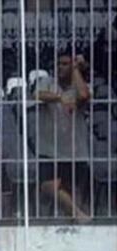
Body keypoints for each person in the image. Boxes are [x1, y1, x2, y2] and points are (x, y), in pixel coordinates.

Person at [34, 52, 91, 220]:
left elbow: (83, 95)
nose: (60, 67)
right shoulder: (48, 82)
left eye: (65, 64)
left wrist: (76, 70)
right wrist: (61, 98)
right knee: (47, 186)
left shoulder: (81, 84)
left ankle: (73, 223)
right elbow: (37, 94)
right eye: (59, 64)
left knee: (73, 192)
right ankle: (80, 216)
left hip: (74, 148)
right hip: (49, 148)